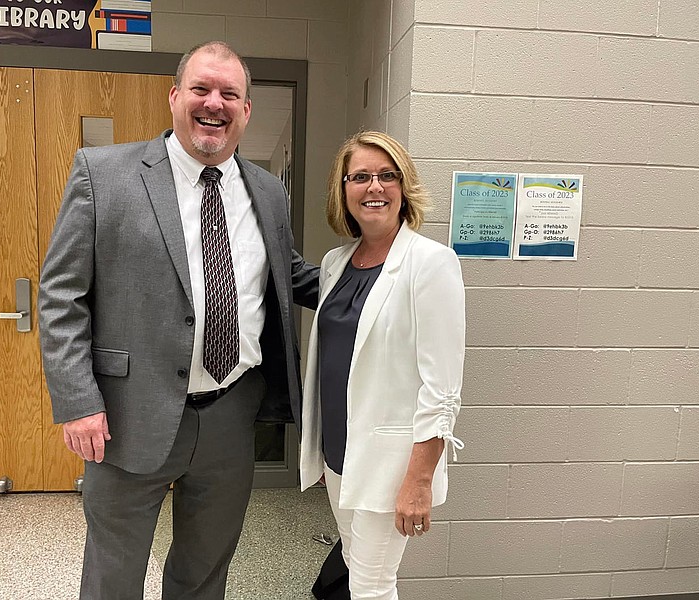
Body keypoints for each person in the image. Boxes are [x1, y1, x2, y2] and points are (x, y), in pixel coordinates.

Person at [38, 41, 318, 600]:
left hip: (229, 412)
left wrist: (380, 273)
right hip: (126, 415)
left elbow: (285, 274)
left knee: (204, 572)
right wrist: (78, 402)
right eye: (201, 89)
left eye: (229, 94)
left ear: (246, 110)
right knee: (113, 576)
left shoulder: (266, 190)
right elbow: (61, 294)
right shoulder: (106, 174)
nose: (214, 103)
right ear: (174, 97)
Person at [300, 131, 465, 599]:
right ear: (344, 190)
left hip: (388, 463)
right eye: (361, 177)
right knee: (355, 568)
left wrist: (419, 480)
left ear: (403, 187)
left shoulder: (431, 263)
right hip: (338, 456)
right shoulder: (336, 263)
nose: (374, 187)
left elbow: (443, 388)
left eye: (386, 175)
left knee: (373, 586)